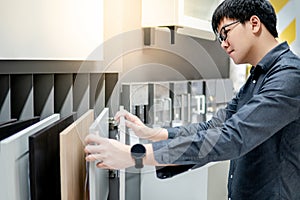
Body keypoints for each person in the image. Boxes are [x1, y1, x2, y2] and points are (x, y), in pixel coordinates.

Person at [84, 0, 300, 199]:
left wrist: (135, 155)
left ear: (254, 23)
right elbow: (215, 126)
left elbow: (232, 137)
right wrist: (155, 134)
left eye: (225, 32)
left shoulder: (289, 76)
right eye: (219, 38)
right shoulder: (258, 76)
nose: (223, 44)